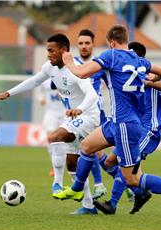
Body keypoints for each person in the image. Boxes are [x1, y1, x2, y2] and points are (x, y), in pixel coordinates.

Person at [53, 25, 161, 215]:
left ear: (111, 42)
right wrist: (151, 78)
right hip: (115, 122)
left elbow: (81, 72)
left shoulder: (111, 55)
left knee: (133, 180)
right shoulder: (140, 61)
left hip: (126, 126)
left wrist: (69, 62)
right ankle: (77, 190)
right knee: (87, 146)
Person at [0, 33, 100, 215]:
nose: (48, 54)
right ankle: (89, 206)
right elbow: (33, 81)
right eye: (47, 50)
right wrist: (8, 93)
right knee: (72, 164)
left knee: (54, 136)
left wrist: (79, 109)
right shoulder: (49, 67)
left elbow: (92, 95)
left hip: (88, 115)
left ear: (64, 51)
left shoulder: (76, 69)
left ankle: (56, 182)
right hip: (73, 118)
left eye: (51, 50)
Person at [95, 42, 161, 214]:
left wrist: (149, 82)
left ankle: (113, 204)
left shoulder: (149, 72)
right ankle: (139, 192)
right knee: (109, 162)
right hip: (133, 125)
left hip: (149, 129)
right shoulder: (128, 73)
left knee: (125, 164)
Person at [74, 29, 107, 199]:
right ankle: (124, 183)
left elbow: (112, 86)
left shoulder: (99, 65)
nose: (84, 46)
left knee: (91, 149)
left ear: (93, 45)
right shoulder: (73, 64)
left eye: (87, 43)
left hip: (96, 113)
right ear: (77, 45)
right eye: (81, 43)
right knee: (92, 151)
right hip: (79, 114)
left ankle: (104, 184)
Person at [37, 79, 67, 190]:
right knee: (50, 139)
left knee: (67, 141)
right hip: (51, 113)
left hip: (65, 113)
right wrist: (41, 99)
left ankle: (65, 164)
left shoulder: (64, 77)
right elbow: (40, 91)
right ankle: (54, 166)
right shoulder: (45, 80)